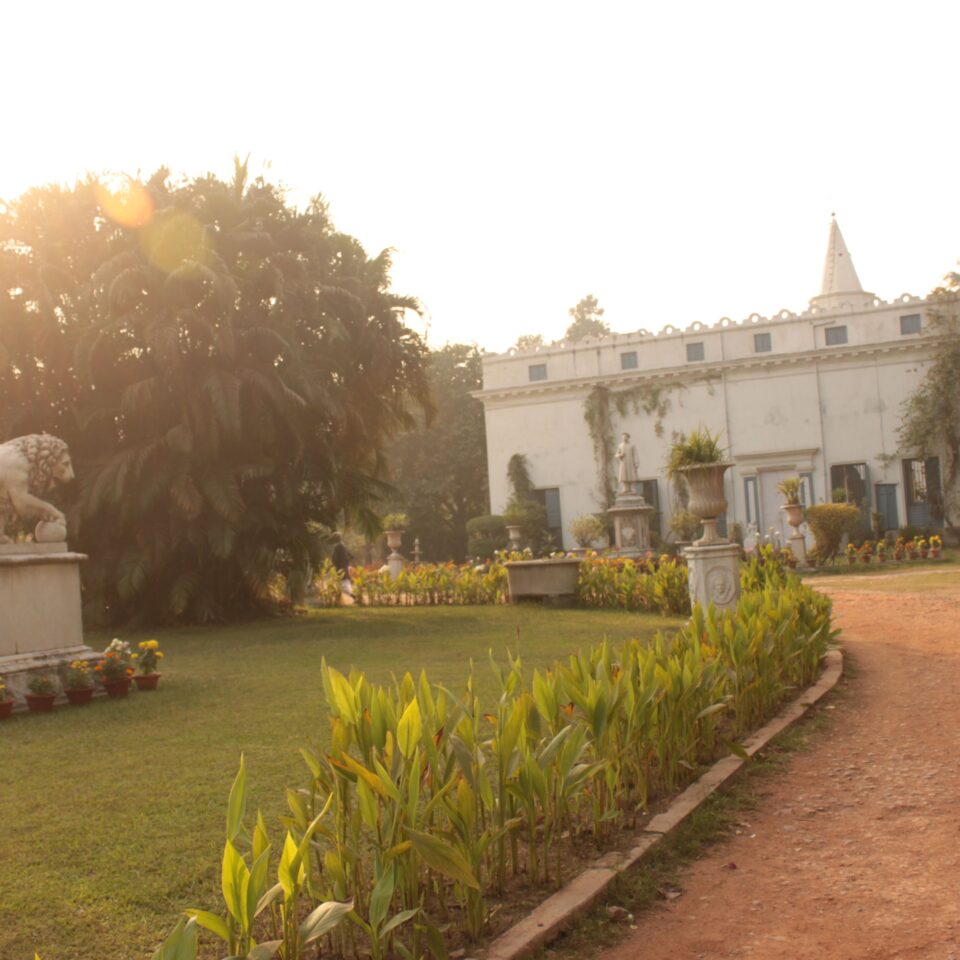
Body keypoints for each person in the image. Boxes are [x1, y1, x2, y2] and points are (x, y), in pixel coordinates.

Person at [331, 532, 353, 599]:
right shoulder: (343, 546)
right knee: (344, 585)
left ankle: (354, 597)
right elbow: (351, 556)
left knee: (344, 586)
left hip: (340, 569)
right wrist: (346, 562)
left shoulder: (338, 546)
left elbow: (335, 559)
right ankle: (341, 599)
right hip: (344, 568)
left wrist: (333, 565)